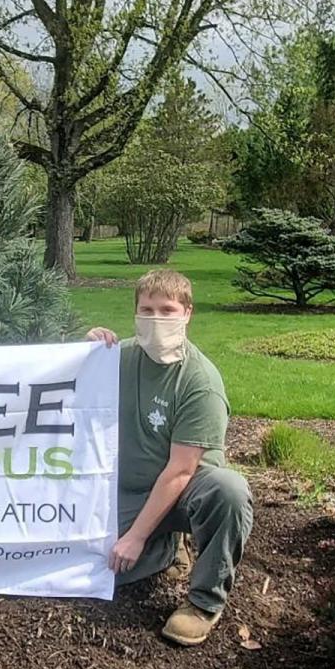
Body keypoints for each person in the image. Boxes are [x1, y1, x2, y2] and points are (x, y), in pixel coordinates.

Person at [87, 268, 254, 646]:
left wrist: (135, 537)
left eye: (167, 310)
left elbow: (180, 472)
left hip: (183, 492)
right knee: (91, 567)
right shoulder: (118, 358)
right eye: (147, 310)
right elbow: (66, 388)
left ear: (187, 313)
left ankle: (203, 602)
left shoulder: (200, 382)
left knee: (229, 491)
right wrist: (87, 351)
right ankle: (166, 548)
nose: (156, 319)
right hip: (126, 489)